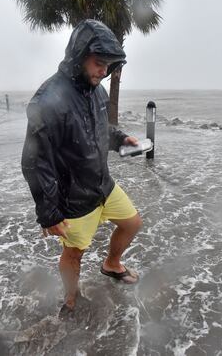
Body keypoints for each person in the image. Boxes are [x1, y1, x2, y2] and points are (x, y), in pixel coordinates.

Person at [21, 19, 143, 313]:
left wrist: (120, 139)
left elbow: (101, 127)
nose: (104, 71)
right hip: (75, 197)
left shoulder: (96, 89)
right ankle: (70, 297)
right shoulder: (49, 99)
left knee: (132, 224)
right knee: (74, 253)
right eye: (99, 63)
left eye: (109, 65)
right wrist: (49, 213)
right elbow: (35, 161)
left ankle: (111, 264)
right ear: (79, 55)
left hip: (103, 184)